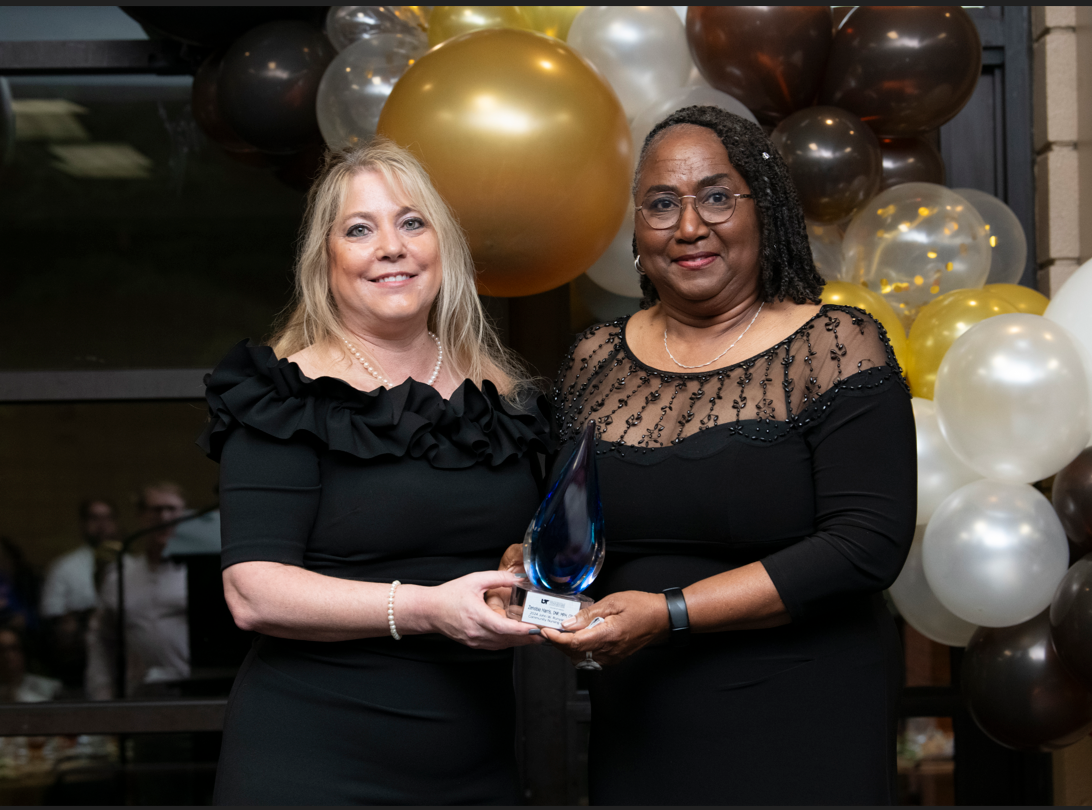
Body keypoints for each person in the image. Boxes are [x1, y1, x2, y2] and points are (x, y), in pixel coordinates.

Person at [542, 106, 917, 804]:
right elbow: (569, 523)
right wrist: (530, 567)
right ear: (635, 227)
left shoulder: (834, 345)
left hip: (801, 714)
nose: (688, 227)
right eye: (660, 205)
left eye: (715, 196)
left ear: (763, 209)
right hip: (644, 724)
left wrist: (669, 612)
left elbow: (866, 544)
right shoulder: (593, 359)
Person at [197, 138, 550, 805]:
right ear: (325, 262)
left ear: (441, 248)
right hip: (314, 760)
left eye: (411, 222)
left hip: (475, 763)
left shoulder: (503, 398)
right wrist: (425, 609)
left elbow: (518, 558)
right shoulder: (287, 395)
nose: (391, 246)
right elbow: (253, 592)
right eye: (360, 229)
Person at [85, 483, 190, 700]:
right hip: (141, 694)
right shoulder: (120, 577)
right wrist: (102, 693)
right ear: (141, 515)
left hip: (195, 690)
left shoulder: (199, 573)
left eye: (172, 509)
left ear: (185, 514)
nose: (164, 517)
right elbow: (102, 642)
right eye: (156, 510)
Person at [39, 499, 119, 692]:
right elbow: (51, 614)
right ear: (83, 523)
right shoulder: (64, 567)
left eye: (107, 518)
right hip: (79, 657)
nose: (101, 525)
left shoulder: (131, 564)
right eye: (94, 518)